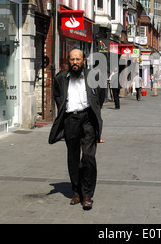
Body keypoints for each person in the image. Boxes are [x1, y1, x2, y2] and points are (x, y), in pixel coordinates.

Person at [48, 49, 105, 210]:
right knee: (73, 158)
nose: (75, 62)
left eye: (78, 59)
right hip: (70, 120)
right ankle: (76, 192)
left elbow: (100, 97)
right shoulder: (60, 78)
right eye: (72, 59)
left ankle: (87, 195)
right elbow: (58, 96)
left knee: (88, 157)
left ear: (84, 61)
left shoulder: (93, 76)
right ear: (68, 61)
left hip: (87, 119)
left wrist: (93, 111)